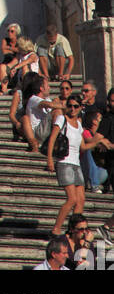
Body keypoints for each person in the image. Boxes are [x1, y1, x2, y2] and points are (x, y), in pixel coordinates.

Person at [46, 93, 88, 235]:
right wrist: (50, 159)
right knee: (72, 199)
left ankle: (73, 230)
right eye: (69, 105)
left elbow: (83, 147)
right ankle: (56, 228)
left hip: (76, 164)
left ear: (80, 107)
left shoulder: (79, 125)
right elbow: (52, 139)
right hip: (64, 162)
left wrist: (99, 142)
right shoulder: (61, 119)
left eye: (76, 106)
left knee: (80, 200)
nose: (72, 109)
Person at [81, 109, 112, 193]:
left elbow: (109, 145)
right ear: (94, 121)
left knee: (105, 171)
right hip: (83, 166)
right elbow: (89, 141)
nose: (102, 121)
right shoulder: (85, 132)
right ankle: (94, 185)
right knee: (88, 151)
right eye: (100, 118)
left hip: (96, 169)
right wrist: (99, 142)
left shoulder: (101, 134)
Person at [0, 22, 22, 92]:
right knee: (2, 67)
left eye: (12, 31)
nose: (9, 33)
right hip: (7, 61)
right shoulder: (5, 40)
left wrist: (9, 48)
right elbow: (4, 51)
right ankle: (4, 89)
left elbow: (21, 50)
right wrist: (15, 50)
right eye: (8, 31)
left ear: (17, 32)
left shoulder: (20, 41)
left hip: (16, 63)